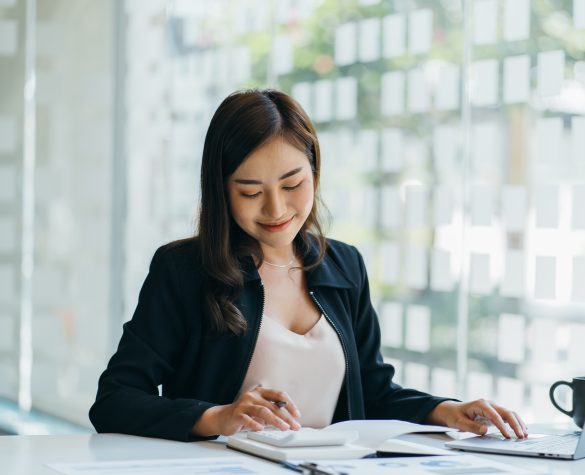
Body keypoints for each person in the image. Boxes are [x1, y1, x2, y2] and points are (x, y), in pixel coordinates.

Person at [89, 89, 528, 442]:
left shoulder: (344, 265)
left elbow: (371, 392)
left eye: (292, 183)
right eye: (249, 191)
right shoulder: (185, 270)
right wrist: (217, 417)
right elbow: (114, 400)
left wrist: (445, 411)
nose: (276, 208)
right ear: (221, 191)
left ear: (314, 171)